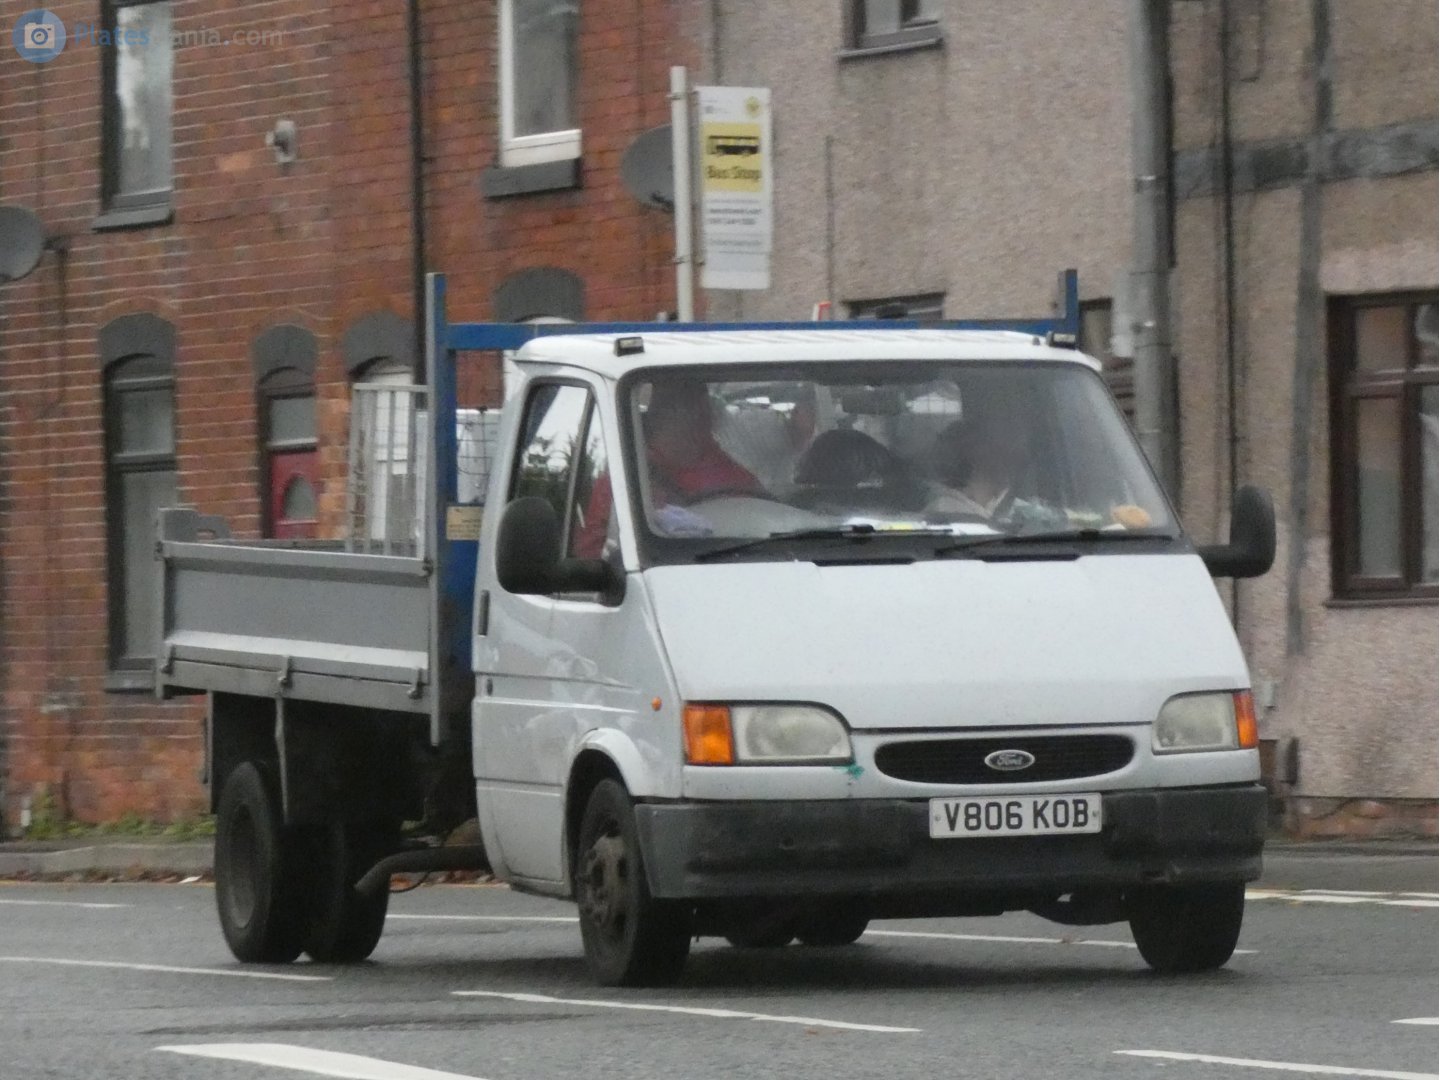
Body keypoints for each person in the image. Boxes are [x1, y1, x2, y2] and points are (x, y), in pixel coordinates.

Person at [571, 380, 760, 557]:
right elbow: (594, 560)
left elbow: (769, 516)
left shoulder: (733, 474)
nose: (701, 422)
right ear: (661, 417)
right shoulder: (625, 481)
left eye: (704, 413)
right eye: (688, 410)